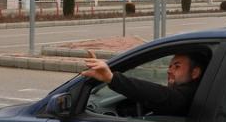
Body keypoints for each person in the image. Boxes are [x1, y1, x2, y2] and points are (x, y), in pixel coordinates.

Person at [80, 49, 208, 117]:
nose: (169, 70)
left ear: (195, 72)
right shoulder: (205, 91)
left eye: (177, 66)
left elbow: (164, 96)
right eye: (169, 66)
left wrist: (111, 78)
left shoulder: (187, 96)